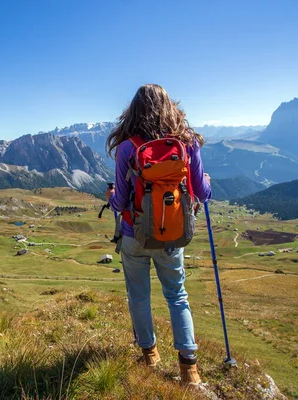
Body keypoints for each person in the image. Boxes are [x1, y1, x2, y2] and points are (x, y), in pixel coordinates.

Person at [105, 84, 211, 385]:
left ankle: (150, 354)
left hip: (133, 234)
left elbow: (120, 201)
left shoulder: (128, 147)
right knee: (177, 295)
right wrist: (205, 180)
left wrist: (111, 195)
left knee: (139, 296)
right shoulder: (187, 144)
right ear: (171, 107)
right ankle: (189, 367)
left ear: (133, 111)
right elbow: (202, 193)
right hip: (172, 236)